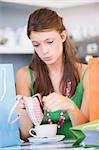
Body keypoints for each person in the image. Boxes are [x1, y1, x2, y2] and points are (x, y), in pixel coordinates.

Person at [16, 8, 89, 140]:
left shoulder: (87, 73)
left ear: (63, 36)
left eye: (49, 42)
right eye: (36, 45)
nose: (44, 51)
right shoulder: (24, 75)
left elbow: (87, 134)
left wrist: (71, 107)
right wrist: (22, 114)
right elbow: (26, 136)